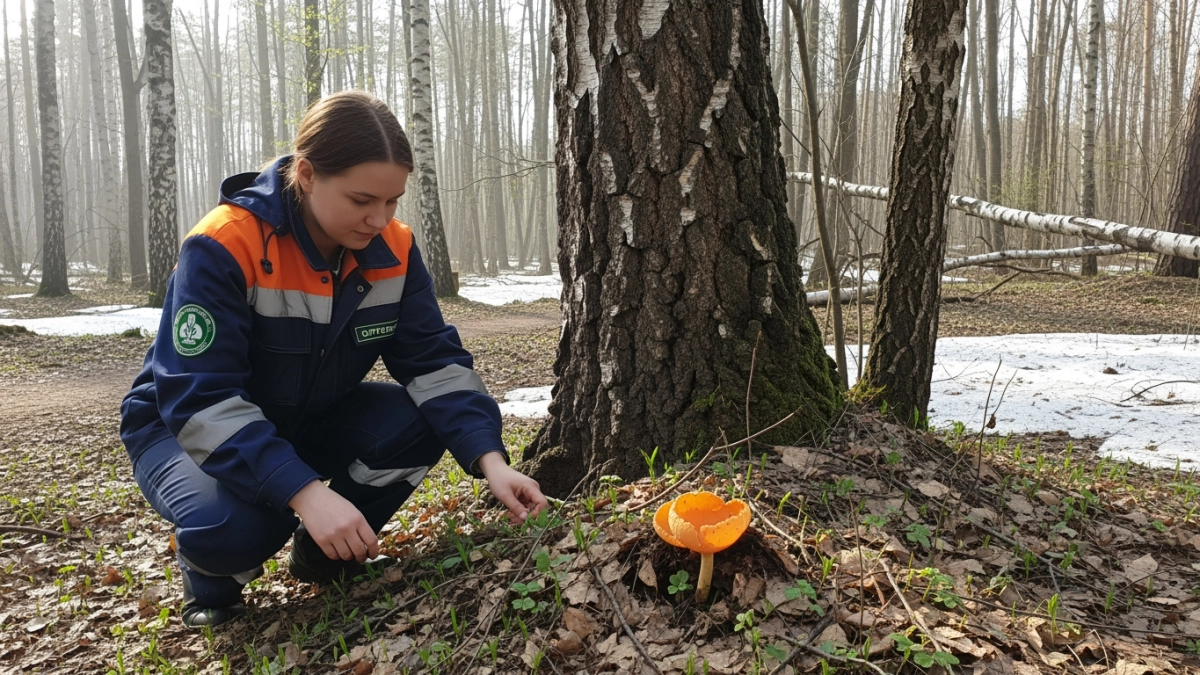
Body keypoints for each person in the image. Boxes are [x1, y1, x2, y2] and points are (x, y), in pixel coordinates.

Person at [120, 90, 548, 628]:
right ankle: (211, 576)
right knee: (242, 527)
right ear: (306, 174)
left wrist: (492, 462)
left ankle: (325, 558)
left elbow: (433, 361)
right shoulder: (224, 244)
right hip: (181, 428)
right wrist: (304, 494)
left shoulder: (393, 247)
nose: (378, 219)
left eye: (392, 201)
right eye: (362, 200)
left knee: (421, 422)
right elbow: (201, 400)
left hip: (306, 413)